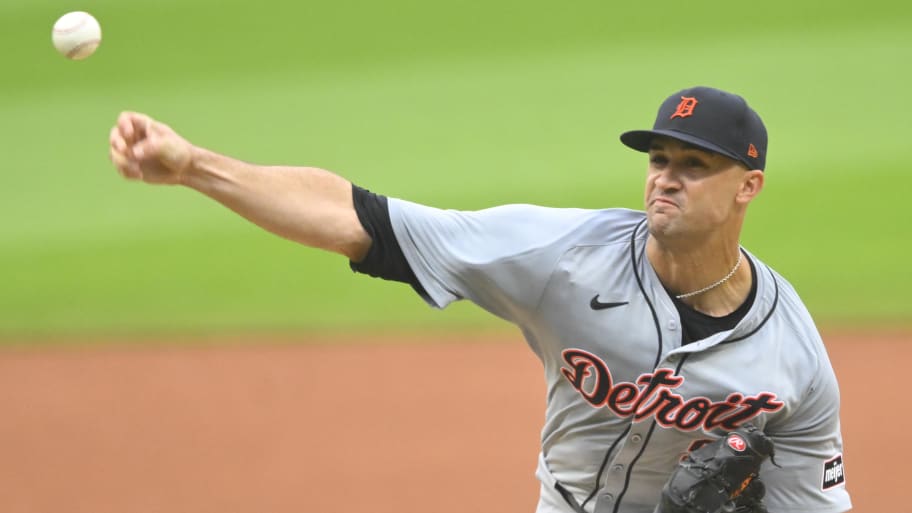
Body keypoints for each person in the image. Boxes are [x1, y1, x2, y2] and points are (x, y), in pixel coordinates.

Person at [108, 86, 852, 513]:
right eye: (659, 159)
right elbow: (359, 218)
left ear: (747, 187)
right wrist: (195, 166)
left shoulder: (793, 356)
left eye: (695, 165)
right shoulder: (563, 256)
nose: (666, 177)